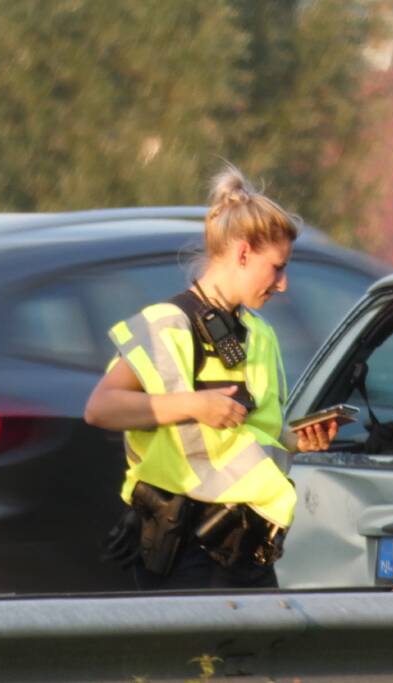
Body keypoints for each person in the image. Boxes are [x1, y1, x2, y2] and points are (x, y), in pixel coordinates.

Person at [84, 165, 338, 590]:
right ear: (242, 254)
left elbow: (252, 434)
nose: (283, 284)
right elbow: (100, 408)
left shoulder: (259, 333)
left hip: (247, 548)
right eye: (276, 268)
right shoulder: (169, 324)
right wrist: (193, 405)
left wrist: (295, 440)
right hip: (184, 550)